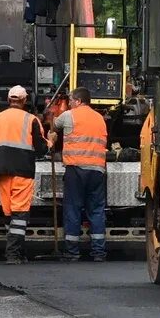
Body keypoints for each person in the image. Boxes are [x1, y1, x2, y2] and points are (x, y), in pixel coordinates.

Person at [0, 85, 47, 264]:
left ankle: (18, 252)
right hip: (22, 171)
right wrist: (52, 141)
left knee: (10, 212)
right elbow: (41, 150)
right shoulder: (31, 119)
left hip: (0, 172)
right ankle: (13, 254)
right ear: (25, 101)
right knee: (20, 213)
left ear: (9, 100)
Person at [48, 87, 108, 261]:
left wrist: (52, 135)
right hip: (97, 169)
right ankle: (98, 252)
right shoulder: (100, 118)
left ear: (79, 101)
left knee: (73, 209)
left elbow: (54, 127)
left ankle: (72, 252)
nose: (70, 104)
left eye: (72, 101)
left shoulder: (69, 115)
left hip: (76, 169)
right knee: (96, 210)